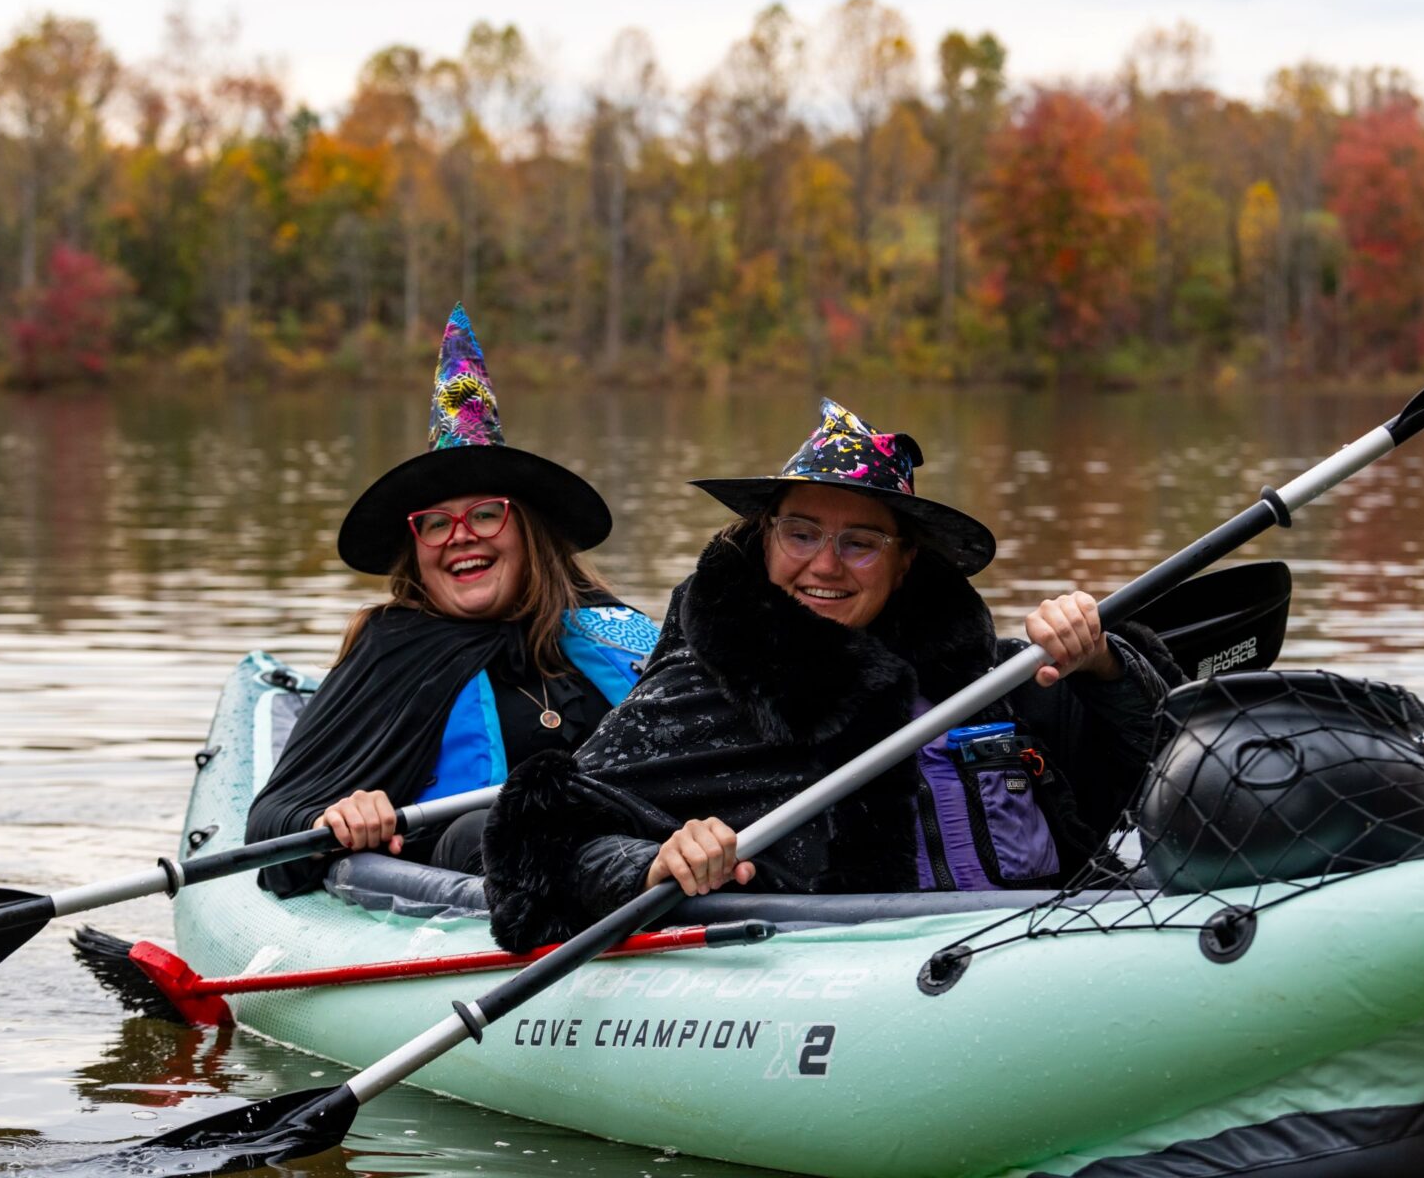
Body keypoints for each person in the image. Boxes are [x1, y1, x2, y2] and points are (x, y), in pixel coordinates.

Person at [481, 398, 1179, 952]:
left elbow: (1153, 776)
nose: (824, 565)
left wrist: (1103, 666)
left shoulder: (987, 681)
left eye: (860, 543)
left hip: (1051, 947)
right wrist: (651, 862)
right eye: (802, 533)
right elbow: (537, 844)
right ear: (765, 539)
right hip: (861, 988)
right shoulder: (698, 691)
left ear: (905, 562)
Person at [246, 304, 658, 896]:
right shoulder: (391, 654)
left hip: (659, 866)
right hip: (472, 896)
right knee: (482, 828)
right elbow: (270, 828)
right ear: (418, 550)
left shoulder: (619, 632)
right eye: (435, 524)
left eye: (487, 515)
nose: (461, 535)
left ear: (530, 533)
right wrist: (332, 818)